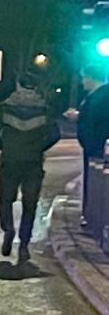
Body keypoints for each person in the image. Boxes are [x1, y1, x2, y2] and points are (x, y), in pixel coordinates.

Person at [0, 70, 60, 265]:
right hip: (33, 162)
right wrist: (38, 148)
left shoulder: (5, 107)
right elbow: (54, 135)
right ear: (36, 87)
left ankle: (8, 230)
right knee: (30, 203)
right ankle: (24, 244)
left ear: (18, 85)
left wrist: (4, 146)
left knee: (5, 199)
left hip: (10, 160)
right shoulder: (44, 109)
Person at [68, 67, 109, 220]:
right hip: (94, 147)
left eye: (84, 78)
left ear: (92, 78)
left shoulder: (101, 97)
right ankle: (91, 215)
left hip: (97, 149)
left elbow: (97, 120)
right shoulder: (97, 96)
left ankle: (93, 217)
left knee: (96, 183)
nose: (82, 81)